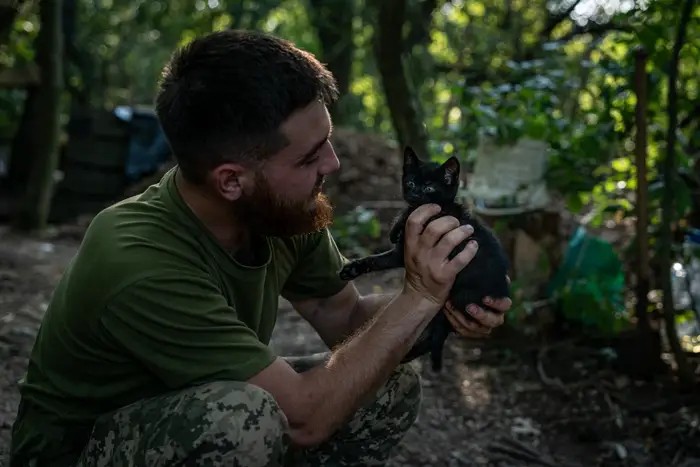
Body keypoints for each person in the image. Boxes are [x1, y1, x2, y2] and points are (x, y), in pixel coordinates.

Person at [9, 30, 512, 466]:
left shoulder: (282, 209)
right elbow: (303, 421)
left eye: (329, 142)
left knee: (388, 381)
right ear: (232, 180)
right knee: (244, 419)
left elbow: (341, 314)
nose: (334, 164)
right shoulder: (137, 258)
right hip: (81, 452)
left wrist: (444, 304)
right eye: (311, 156)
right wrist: (416, 299)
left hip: (192, 415)